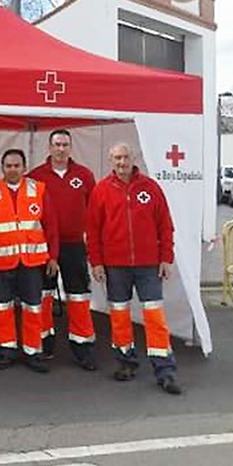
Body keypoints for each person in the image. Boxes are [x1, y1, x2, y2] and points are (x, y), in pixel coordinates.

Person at [86, 143, 181, 395]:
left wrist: (166, 258)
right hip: (115, 265)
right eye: (117, 157)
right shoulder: (101, 190)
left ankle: (165, 370)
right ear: (111, 160)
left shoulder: (150, 187)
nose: (122, 162)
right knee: (119, 315)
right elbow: (93, 230)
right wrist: (96, 262)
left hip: (148, 264)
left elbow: (165, 225)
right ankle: (126, 362)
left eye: (126, 157)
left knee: (154, 317)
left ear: (133, 158)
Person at [0, 148, 59, 373]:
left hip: (33, 262)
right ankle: (6, 349)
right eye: (8, 166)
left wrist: (53, 257)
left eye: (17, 165)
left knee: (33, 307)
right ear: (2, 167)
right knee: (3, 307)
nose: (12, 169)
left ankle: (33, 351)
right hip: (2, 262)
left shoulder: (39, 189)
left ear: (24, 167)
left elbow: (51, 226)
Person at [28, 129, 97, 370]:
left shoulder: (85, 175)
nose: (60, 149)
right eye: (56, 144)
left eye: (65, 144)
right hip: (42, 246)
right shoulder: (35, 176)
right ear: (49, 147)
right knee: (43, 296)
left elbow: (94, 212)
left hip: (74, 245)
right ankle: (44, 343)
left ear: (70, 147)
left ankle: (82, 347)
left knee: (78, 296)